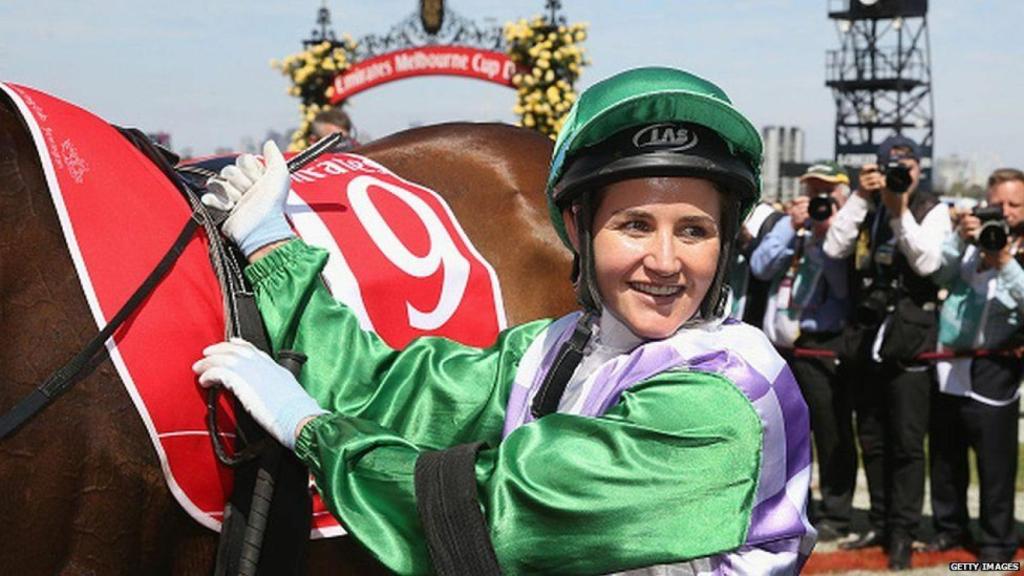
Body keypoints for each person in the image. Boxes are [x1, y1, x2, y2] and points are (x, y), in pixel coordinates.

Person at [194, 67, 815, 574]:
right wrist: (274, 247)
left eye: (694, 231)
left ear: (725, 242)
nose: (664, 261)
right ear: (577, 228)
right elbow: (398, 390)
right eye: (634, 225)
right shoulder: (561, 346)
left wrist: (311, 429)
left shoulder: (725, 401)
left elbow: (492, 518)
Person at [823, 136, 952, 570]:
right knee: (873, 440)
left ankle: (903, 532)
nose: (902, 173)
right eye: (891, 166)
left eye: (908, 165)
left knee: (907, 444)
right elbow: (833, 247)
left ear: (920, 167)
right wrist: (861, 196)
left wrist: (898, 215)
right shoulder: (868, 205)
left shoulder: (932, 209)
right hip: (867, 337)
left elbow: (928, 263)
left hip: (910, 341)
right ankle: (879, 521)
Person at [750, 162, 855, 543]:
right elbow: (761, 267)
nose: (816, 202)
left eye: (824, 195)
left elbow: (843, 288)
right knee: (789, 434)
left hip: (821, 343)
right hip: (780, 345)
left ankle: (838, 512)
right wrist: (789, 226)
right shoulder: (791, 228)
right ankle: (797, 506)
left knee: (830, 432)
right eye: (810, 193)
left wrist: (827, 235)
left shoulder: (841, 235)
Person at [927, 168, 1024, 563]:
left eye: (1014, 204)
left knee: (995, 462)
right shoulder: (971, 242)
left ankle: (997, 542)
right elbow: (938, 274)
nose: (1004, 212)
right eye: (997, 203)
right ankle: (949, 529)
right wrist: (958, 237)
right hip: (951, 364)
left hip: (995, 368)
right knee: (946, 456)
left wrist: (1003, 259)